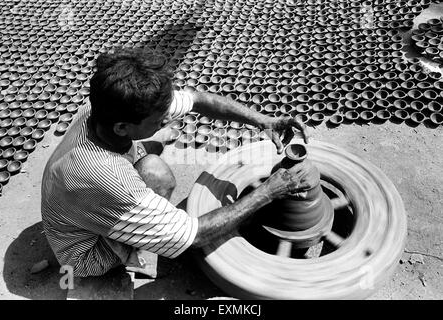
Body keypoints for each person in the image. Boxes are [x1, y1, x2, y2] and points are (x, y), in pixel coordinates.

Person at [41, 46, 316, 278]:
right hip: (84, 253)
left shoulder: (105, 107)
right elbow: (194, 237)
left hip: (80, 202)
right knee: (157, 175)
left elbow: (197, 100)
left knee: (151, 161)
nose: (166, 118)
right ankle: (139, 249)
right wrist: (270, 191)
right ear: (123, 128)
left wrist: (264, 121)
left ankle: (145, 187)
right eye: (158, 120)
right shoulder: (110, 179)